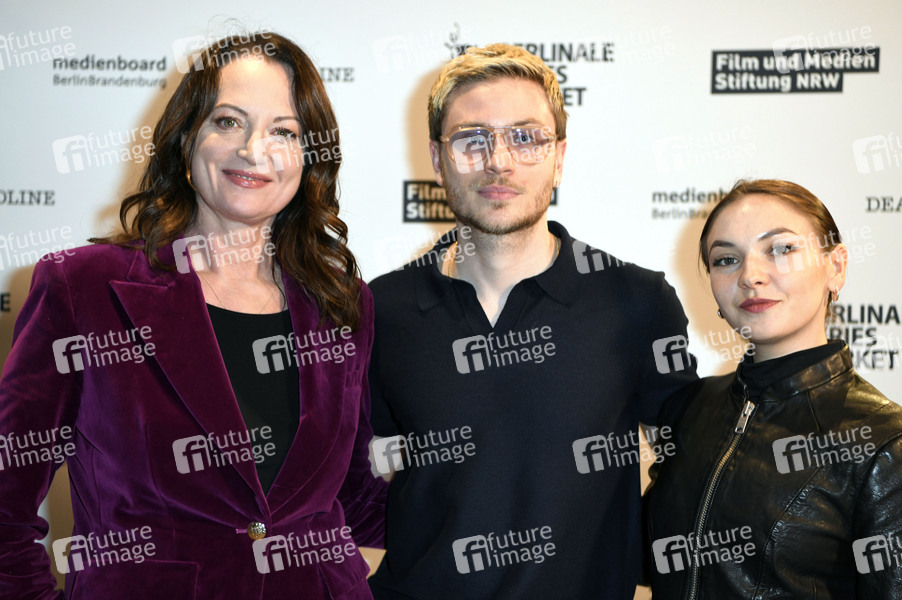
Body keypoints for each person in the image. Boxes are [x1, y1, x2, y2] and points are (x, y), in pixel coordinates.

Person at [0, 32, 386, 599]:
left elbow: (357, 496)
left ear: (309, 159)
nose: (253, 150)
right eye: (228, 122)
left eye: (284, 131)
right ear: (186, 139)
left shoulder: (341, 302)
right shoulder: (83, 288)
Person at [366, 43, 697, 599]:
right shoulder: (381, 309)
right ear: (437, 159)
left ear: (559, 156)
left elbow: (690, 467)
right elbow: (345, 477)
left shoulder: (638, 303)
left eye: (526, 137)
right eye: (472, 138)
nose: (499, 160)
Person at [644, 179, 902, 598]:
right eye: (727, 259)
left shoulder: (884, 440)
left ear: (835, 267)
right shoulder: (690, 408)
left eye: (781, 249)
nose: (750, 276)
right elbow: (643, 557)